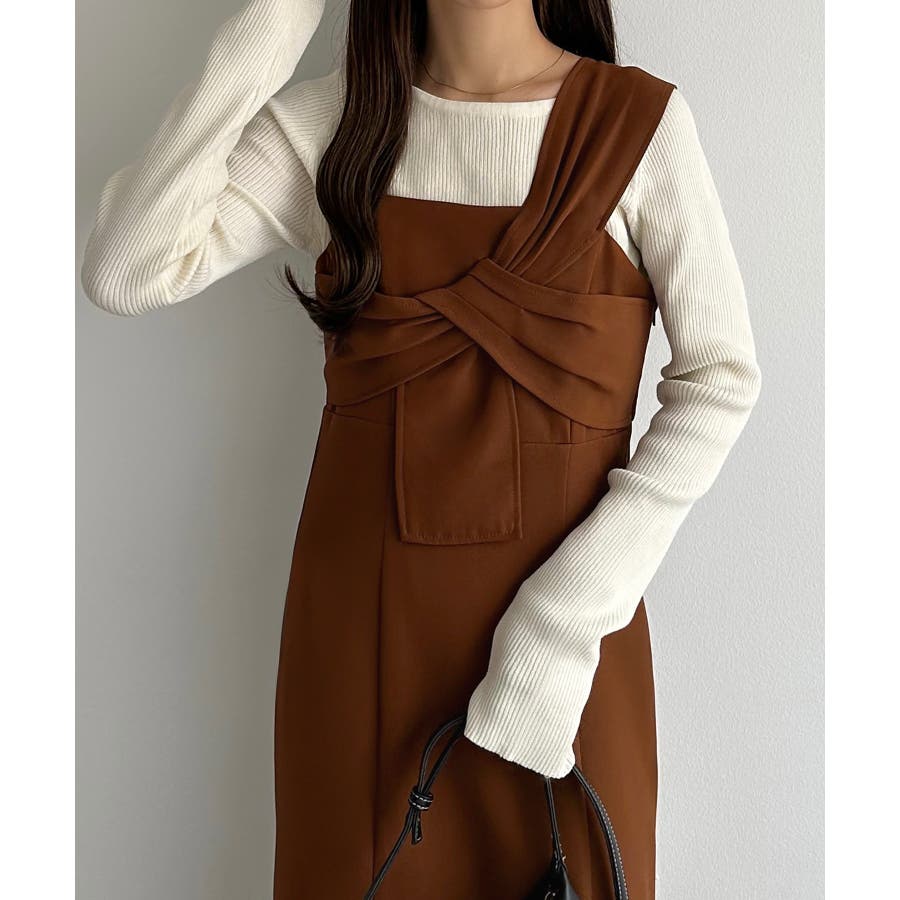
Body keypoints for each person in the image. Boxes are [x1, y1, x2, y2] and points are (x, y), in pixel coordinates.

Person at [80, 1, 762, 897]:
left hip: (569, 654)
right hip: (362, 646)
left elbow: (719, 379)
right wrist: (281, 15)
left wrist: (560, 625)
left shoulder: (636, 127)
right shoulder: (339, 125)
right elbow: (126, 269)